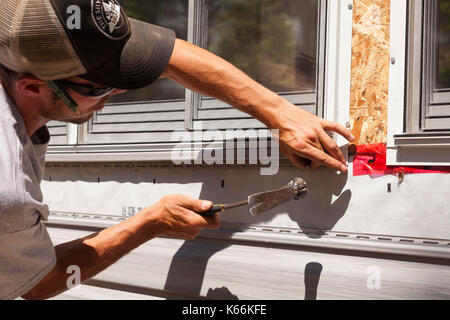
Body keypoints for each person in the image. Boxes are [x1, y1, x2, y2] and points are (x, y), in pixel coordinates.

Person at [0, 0, 355, 300]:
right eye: (101, 88)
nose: (120, 92)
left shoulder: (33, 21)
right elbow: (39, 282)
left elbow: (168, 57)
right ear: (32, 86)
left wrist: (280, 113)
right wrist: (149, 223)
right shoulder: (8, 191)